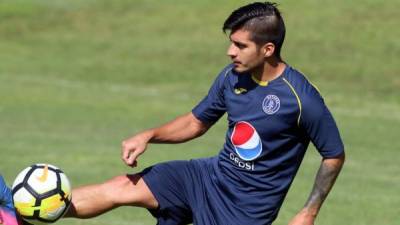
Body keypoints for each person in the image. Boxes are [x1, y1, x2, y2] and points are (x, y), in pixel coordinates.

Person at [65, 2, 345, 225]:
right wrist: (149, 136)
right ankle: (26, 211)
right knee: (121, 187)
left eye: (240, 45)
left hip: (244, 212)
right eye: (231, 42)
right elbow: (195, 122)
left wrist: (308, 212)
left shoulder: (301, 98)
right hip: (208, 177)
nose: (230, 52)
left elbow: (333, 154)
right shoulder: (232, 76)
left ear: (268, 49)